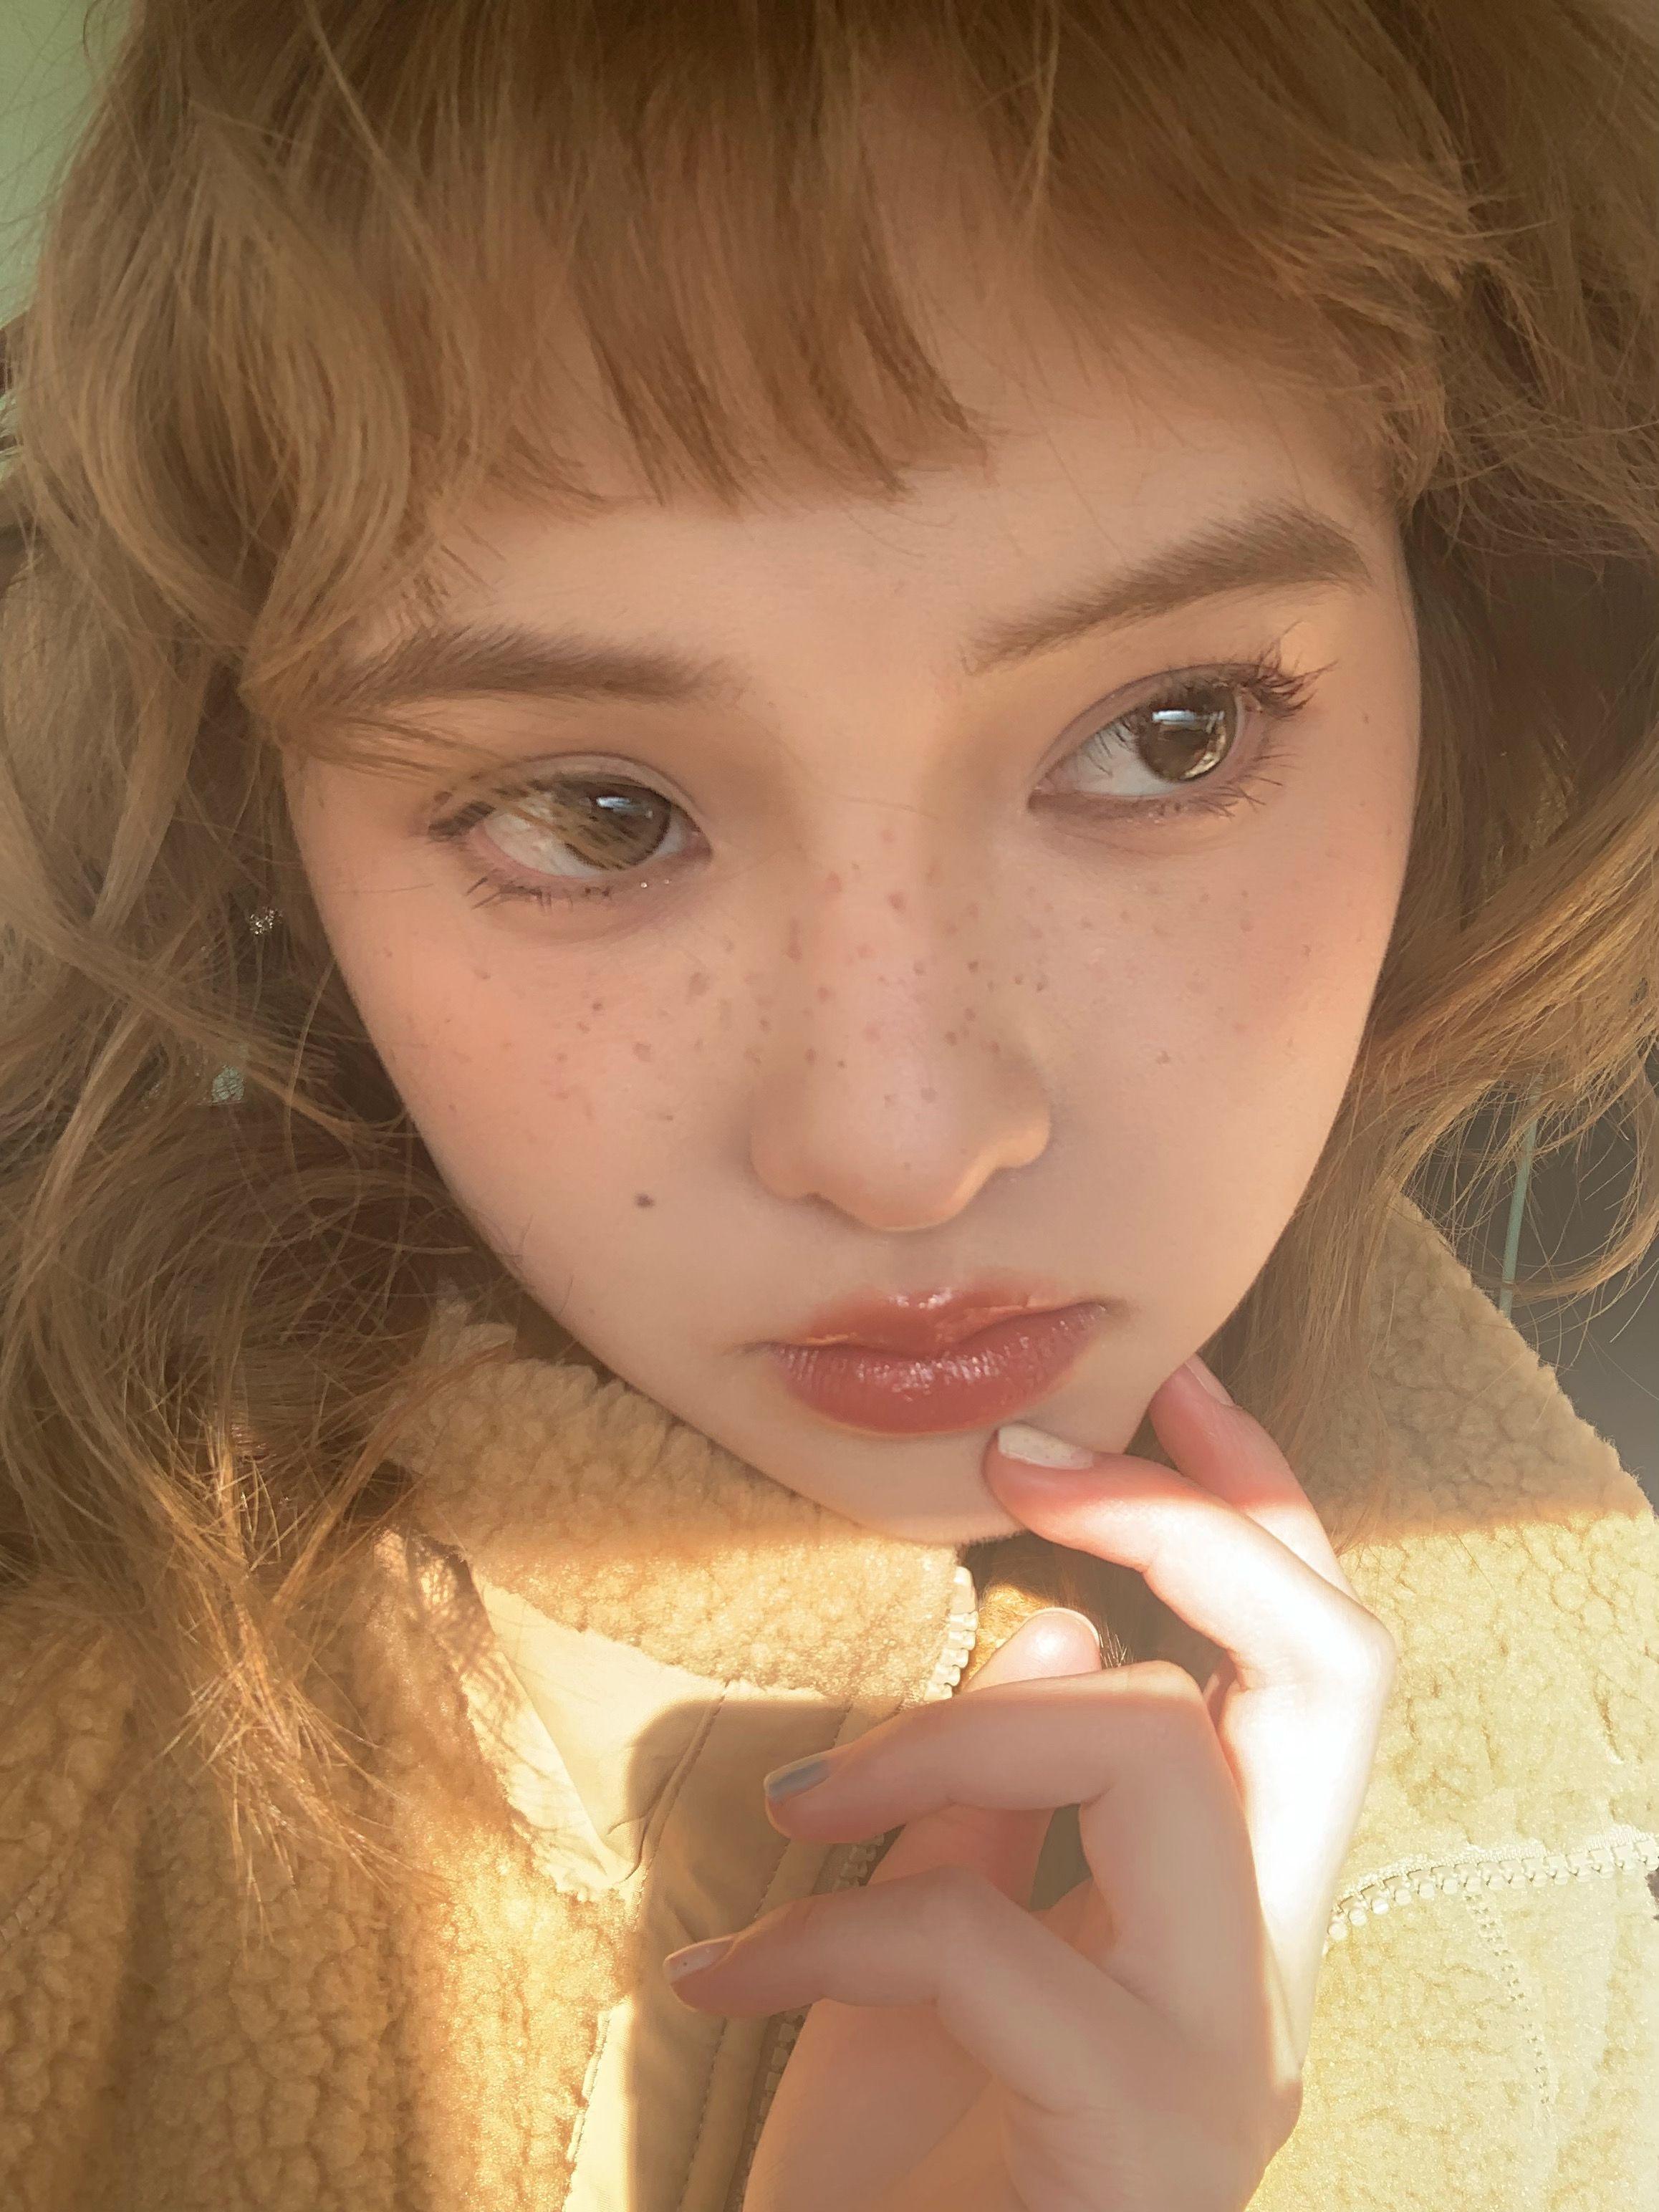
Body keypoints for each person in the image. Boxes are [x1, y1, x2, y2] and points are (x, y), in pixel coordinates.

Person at [1, 1, 1656, 2205]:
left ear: (1464, 661)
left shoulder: (1570, 1771)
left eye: (1167, 734)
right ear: (263, 838)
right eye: (592, 815)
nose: (902, 1145)